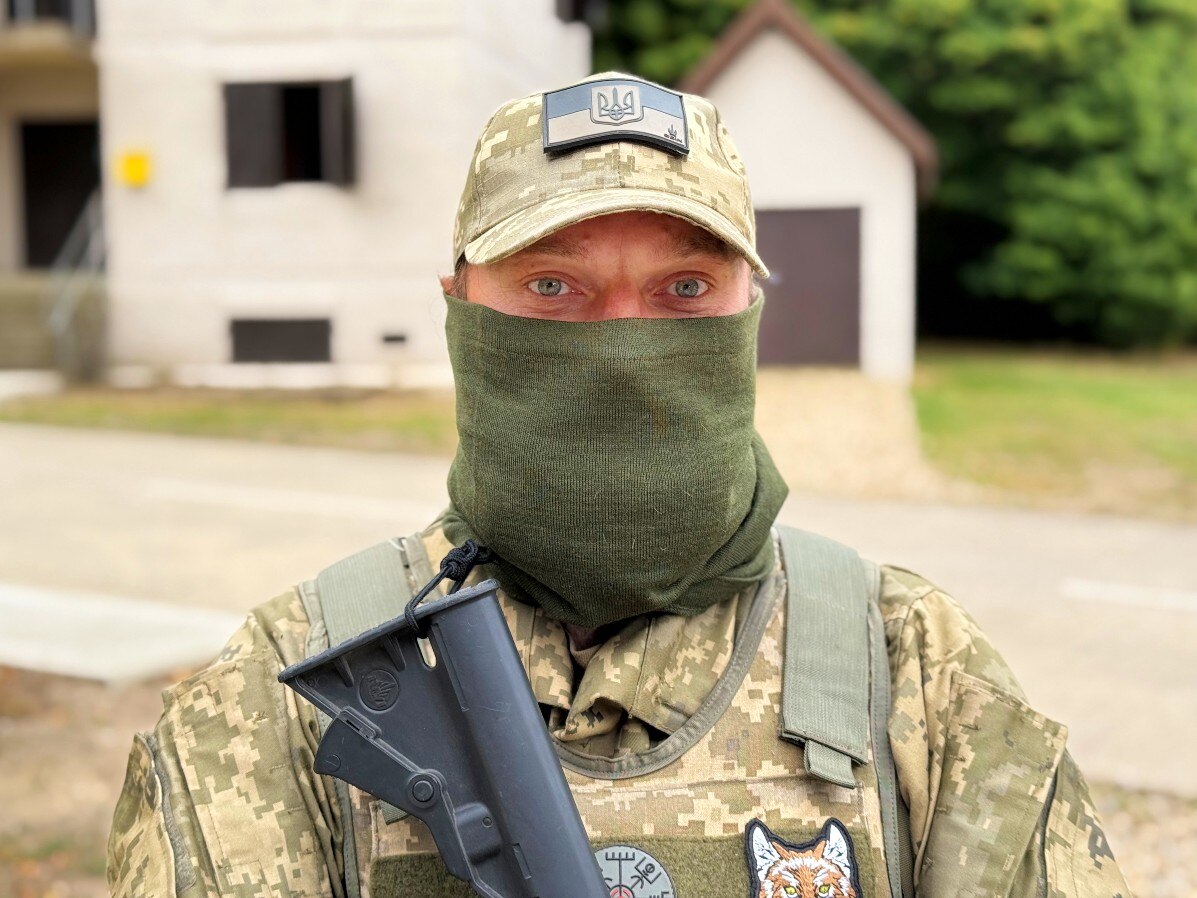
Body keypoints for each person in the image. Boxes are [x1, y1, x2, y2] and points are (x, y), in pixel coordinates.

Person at [106, 73, 1131, 898]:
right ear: (460, 308)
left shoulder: (914, 667)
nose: (626, 346)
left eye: (686, 289)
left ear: (750, 309)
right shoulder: (289, 697)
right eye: (552, 287)